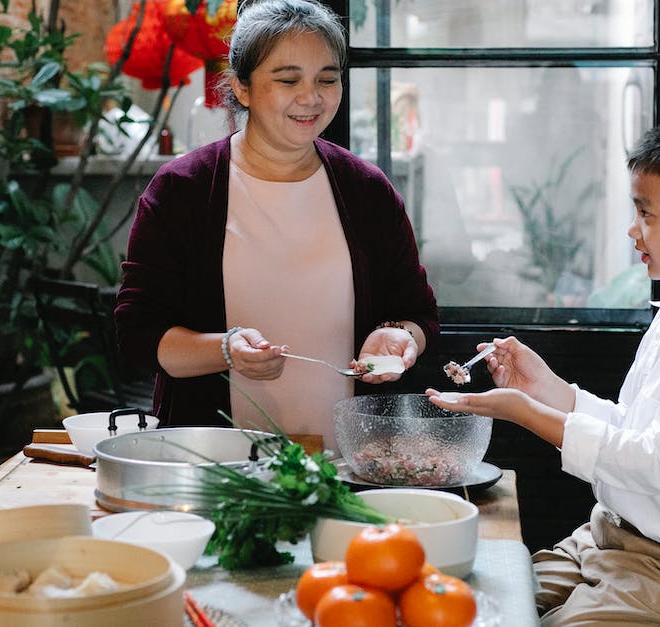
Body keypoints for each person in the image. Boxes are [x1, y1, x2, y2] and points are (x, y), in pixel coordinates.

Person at [428, 116, 660, 625]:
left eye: (646, 214)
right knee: (482, 605)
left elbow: (654, 462)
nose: (632, 229)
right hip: (611, 538)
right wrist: (546, 390)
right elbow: (635, 428)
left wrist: (528, 414)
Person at [114, 0, 438, 452]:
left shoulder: (367, 191)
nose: (312, 97)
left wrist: (401, 337)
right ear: (242, 87)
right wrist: (225, 351)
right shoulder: (182, 190)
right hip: (214, 462)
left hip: (349, 461)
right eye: (288, 80)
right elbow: (139, 335)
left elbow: (418, 312)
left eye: (327, 79)